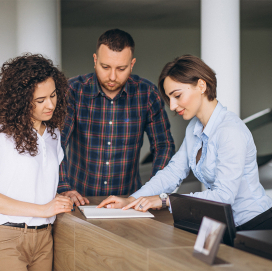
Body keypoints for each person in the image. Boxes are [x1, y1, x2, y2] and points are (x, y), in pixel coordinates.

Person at [98, 55, 272, 231]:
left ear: (201, 86)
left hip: (256, 225)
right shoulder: (194, 129)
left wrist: (165, 200)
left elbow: (224, 196)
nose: (172, 106)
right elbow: (173, 173)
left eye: (177, 96)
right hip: (226, 224)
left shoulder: (230, 131)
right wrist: (132, 200)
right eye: (169, 98)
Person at [57, 28, 175, 206]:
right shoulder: (73, 90)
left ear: (132, 64)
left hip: (128, 202)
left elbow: (163, 146)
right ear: (95, 60)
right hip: (79, 199)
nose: (112, 76)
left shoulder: (147, 94)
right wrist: (64, 186)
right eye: (105, 67)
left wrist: (153, 192)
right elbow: (56, 142)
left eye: (121, 68)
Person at [0, 54, 73, 270]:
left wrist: (59, 198)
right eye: (40, 100)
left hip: (44, 237)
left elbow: (37, 183)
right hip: (8, 237)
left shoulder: (53, 133)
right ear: (21, 101)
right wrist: (44, 208)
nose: (50, 104)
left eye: (53, 95)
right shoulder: (3, 135)